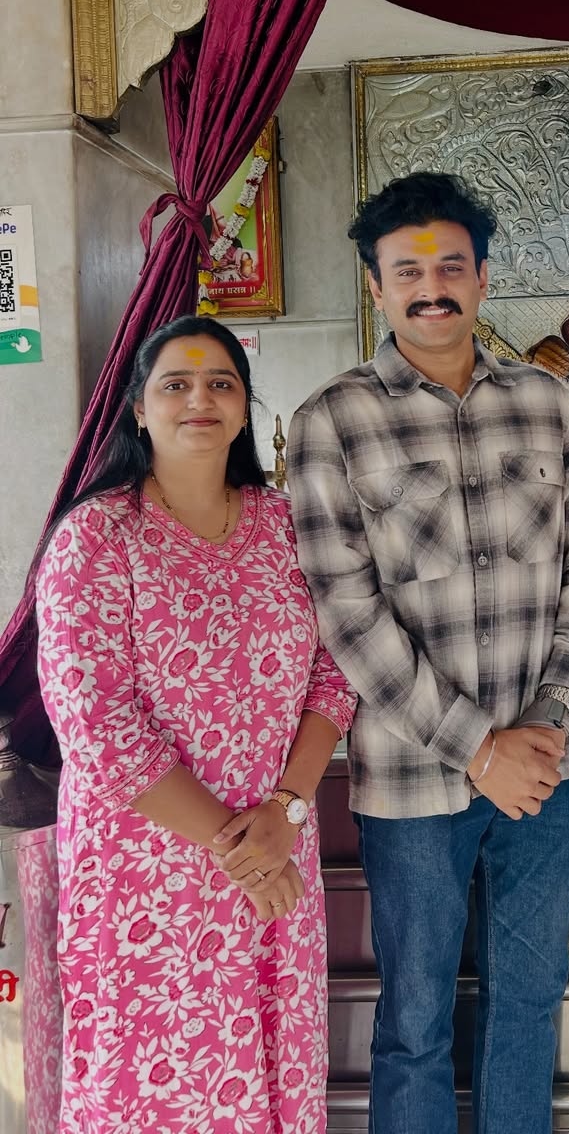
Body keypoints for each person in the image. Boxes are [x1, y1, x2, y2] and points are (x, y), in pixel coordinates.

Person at [287, 171, 569, 1134]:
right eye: (408, 271)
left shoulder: (548, 405)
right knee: (417, 1021)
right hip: (412, 784)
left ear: (480, 279)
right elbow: (346, 616)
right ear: (376, 287)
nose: (432, 288)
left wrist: (548, 723)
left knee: (529, 1004)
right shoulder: (330, 423)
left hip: (551, 777)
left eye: (451, 268)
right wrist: (479, 747)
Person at [35, 314, 357, 1134]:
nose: (199, 400)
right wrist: (239, 848)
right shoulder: (96, 539)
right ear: (139, 410)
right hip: (148, 872)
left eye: (220, 383)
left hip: (275, 851)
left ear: (246, 408)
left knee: (272, 1071)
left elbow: (334, 672)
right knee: (152, 1086)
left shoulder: (286, 527)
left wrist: (284, 814)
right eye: (174, 384)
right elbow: (98, 725)